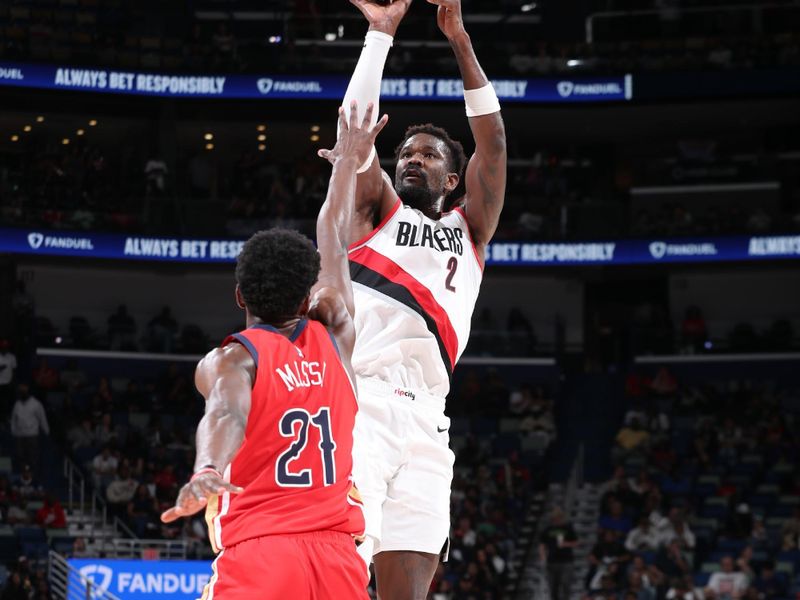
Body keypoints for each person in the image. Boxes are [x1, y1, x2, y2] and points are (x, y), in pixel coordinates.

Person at [160, 102, 388, 599]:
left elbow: (225, 416)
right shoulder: (335, 327)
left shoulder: (234, 359)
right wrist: (349, 160)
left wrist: (208, 469)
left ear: (240, 296)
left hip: (260, 556)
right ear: (308, 297)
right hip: (337, 559)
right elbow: (332, 230)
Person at [318, 0, 507, 594]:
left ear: (453, 179)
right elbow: (354, 132)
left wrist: (460, 40)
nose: (412, 159)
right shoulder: (376, 211)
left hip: (429, 417)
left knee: (409, 587)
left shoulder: (469, 230)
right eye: (406, 153)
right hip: (363, 405)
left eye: (427, 155)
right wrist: (378, 37)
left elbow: (494, 145)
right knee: (341, 571)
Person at [538, 508, 579, 600]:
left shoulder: (568, 528)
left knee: (566, 583)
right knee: (553, 587)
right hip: (552, 561)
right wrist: (542, 557)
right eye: (555, 518)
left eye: (559, 518)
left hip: (566, 561)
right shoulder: (547, 529)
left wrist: (566, 544)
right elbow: (542, 544)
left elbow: (576, 542)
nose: (557, 520)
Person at [10, 384, 49, 475]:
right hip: (20, 434)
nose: (22, 392)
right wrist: (13, 430)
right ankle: (24, 475)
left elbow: (42, 418)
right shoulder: (17, 404)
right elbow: (13, 419)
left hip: (32, 434)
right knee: (21, 456)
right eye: (21, 390)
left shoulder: (36, 404)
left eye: (24, 390)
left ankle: (34, 475)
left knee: (33, 456)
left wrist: (46, 430)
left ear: (28, 392)